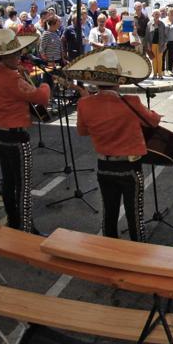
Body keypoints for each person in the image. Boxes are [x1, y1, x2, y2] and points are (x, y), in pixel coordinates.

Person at [65, 47, 158, 241]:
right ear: (118, 80)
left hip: (104, 165)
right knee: (135, 214)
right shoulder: (131, 102)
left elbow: (82, 131)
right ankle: (138, 254)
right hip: (129, 166)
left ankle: (108, 252)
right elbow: (152, 121)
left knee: (109, 212)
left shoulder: (85, 104)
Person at [0, 27, 50, 232]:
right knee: (23, 184)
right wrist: (45, 84)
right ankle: (26, 228)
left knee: (9, 181)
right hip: (15, 135)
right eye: (16, 53)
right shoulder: (11, 78)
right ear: (6, 56)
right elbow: (41, 98)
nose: (20, 55)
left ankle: (13, 220)